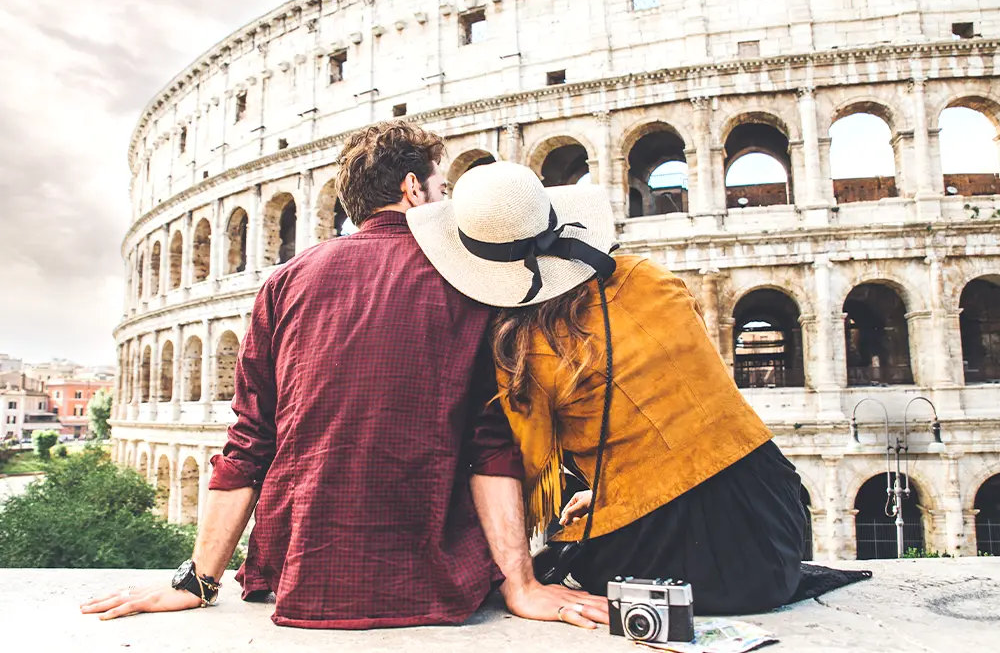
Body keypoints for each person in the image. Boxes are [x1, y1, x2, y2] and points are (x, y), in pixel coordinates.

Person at [81, 122, 607, 629]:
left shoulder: (284, 282)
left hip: (301, 577)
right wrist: (521, 584)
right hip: (434, 579)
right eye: (441, 188)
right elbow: (488, 446)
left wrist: (198, 580)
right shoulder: (471, 282)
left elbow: (248, 441)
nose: (444, 200)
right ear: (413, 189)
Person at [407, 161, 807, 615]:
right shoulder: (649, 276)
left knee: (565, 554)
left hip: (669, 555)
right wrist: (616, 489)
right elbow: (676, 407)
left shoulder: (525, 346)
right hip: (772, 523)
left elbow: (526, 463)